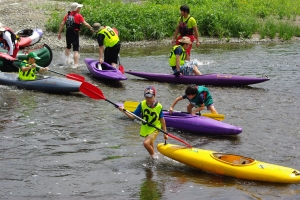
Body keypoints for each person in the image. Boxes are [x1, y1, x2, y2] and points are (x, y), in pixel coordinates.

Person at [118, 86, 168, 160]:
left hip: (155, 128)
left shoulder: (159, 106)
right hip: (146, 127)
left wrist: (165, 132)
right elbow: (132, 117)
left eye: (150, 97)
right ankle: (153, 159)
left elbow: (162, 119)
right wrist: (123, 111)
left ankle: (155, 158)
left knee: (145, 143)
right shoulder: (142, 104)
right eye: (147, 97)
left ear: (154, 96)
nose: (148, 99)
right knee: (150, 144)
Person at [57, 2, 94, 68]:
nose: (80, 8)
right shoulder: (78, 15)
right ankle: (76, 65)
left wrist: (59, 33)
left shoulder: (67, 15)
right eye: (79, 7)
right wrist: (91, 28)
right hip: (75, 33)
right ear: (76, 9)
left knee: (68, 47)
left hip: (68, 33)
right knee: (76, 50)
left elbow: (62, 24)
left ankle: (66, 62)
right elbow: (85, 23)